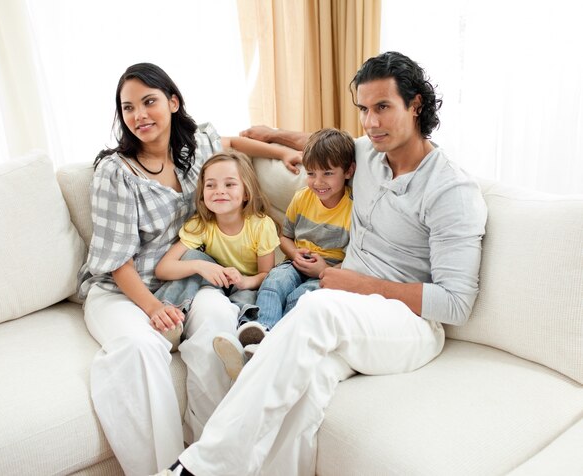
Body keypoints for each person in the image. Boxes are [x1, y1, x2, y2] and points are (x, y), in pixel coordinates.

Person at [158, 51, 488, 476]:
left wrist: (356, 284)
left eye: (383, 107)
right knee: (303, 388)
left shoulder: (450, 191)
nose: (370, 123)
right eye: (364, 109)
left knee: (316, 308)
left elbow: (457, 304)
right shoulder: (367, 156)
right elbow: (321, 141)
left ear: (416, 105)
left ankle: (197, 468)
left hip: (410, 324)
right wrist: (274, 135)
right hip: (350, 309)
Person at [77, 62, 302, 476]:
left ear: (173, 102)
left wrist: (282, 150)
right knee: (142, 349)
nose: (139, 115)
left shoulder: (194, 147)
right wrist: (150, 309)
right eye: (128, 108)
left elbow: (232, 143)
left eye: (149, 102)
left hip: (190, 277)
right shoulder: (116, 171)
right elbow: (117, 261)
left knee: (220, 323)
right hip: (122, 289)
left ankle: (214, 460)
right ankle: (162, 469)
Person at [229, 128, 355, 362]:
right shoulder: (301, 197)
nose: (318, 182)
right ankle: (260, 332)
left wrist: (324, 270)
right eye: (311, 173)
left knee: (303, 296)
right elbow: (284, 237)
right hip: (295, 263)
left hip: (330, 272)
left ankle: (281, 344)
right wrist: (294, 253)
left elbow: (355, 261)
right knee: (274, 282)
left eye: (327, 173)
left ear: (348, 171)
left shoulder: (353, 209)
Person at [154, 150, 280, 380]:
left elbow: (267, 275)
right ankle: (173, 317)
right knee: (193, 258)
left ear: (246, 193)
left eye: (229, 184)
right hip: (213, 285)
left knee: (251, 305)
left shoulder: (261, 226)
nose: (219, 191)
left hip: (245, 288)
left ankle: (244, 346)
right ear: (202, 195)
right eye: (210, 185)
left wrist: (244, 281)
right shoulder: (201, 225)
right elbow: (163, 269)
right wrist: (200, 267)